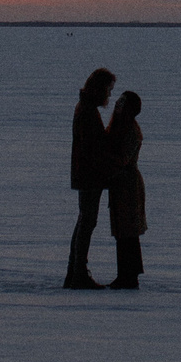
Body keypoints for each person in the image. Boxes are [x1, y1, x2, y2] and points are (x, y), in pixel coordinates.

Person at [64, 68, 116, 289]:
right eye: (108, 90)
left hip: (86, 174)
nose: (109, 95)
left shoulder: (85, 108)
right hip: (89, 175)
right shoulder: (87, 111)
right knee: (87, 221)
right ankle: (78, 273)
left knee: (85, 220)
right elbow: (92, 146)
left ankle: (75, 271)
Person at [105, 91, 147, 289]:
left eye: (122, 103)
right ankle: (126, 273)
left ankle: (129, 275)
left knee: (128, 231)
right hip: (121, 183)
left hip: (128, 184)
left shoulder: (129, 130)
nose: (118, 105)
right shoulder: (120, 128)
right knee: (123, 231)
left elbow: (124, 159)